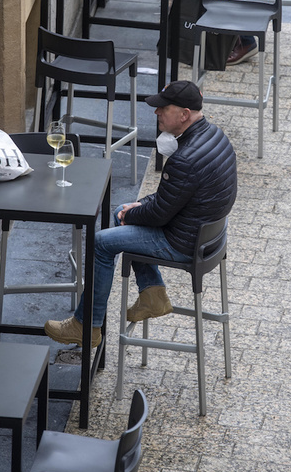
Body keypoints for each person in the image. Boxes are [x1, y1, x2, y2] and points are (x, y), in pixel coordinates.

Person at [44, 81, 238, 349]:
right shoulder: (215, 135)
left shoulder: (184, 160)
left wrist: (133, 214)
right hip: (209, 237)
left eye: (163, 108)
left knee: (102, 242)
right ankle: (151, 293)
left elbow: (159, 214)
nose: (156, 112)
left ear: (183, 114)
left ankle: (87, 326)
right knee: (121, 211)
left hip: (183, 242)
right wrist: (136, 208)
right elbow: (169, 199)